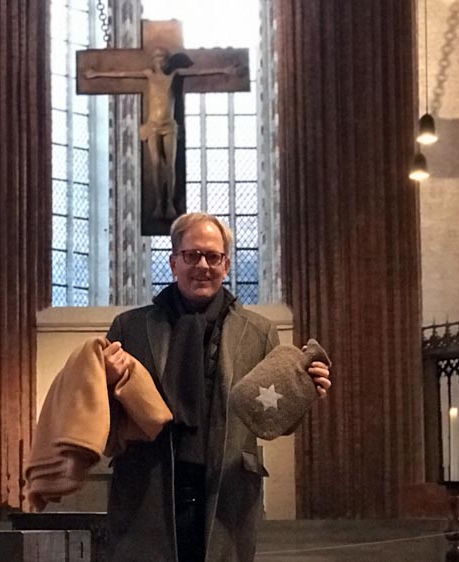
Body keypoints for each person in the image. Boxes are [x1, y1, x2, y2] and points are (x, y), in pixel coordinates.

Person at [102, 213, 331, 562]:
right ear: (174, 262)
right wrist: (105, 380)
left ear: (226, 264)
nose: (203, 266)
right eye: (192, 255)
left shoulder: (259, 331)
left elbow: (276, 421)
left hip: (228, 493)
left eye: (213, 256)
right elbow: (104, 414)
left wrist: (306, 390)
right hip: (148, 490)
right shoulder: (130, 327)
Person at [86, 50, 241, 220]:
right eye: (157, 58)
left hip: (169, 126)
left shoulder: (174, 75)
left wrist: (225, 70)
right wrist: (97, 74)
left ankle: (171, 203)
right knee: (156, 164)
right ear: (153, 62)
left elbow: (197, 72)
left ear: (166, 62)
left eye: (162, 59)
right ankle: (159, 203)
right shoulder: (148, 75)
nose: (160, 62)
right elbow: (123, 73)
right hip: (153, 126)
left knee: (171, 165)